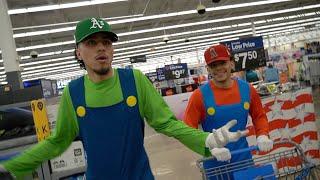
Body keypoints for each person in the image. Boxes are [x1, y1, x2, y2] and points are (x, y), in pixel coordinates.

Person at [0, 18, 248, 180]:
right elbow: (57, 142)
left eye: (106, 42)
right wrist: (14, 167)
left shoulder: (135, 80)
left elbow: (166, 123)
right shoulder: (73, 93)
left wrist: (206, 139)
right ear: (78, 52)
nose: (101, 48)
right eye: (92, 42)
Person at [183, 44, 274, 179]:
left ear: (231, 63)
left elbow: (259, 116)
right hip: (215, 165)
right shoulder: (199, 96)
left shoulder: (247, 90)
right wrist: (209, 148)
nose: (219, 68)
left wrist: (262, 135)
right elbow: (187, 131)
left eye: (222, 62)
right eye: (213, 65)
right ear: (208, 69)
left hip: (244, 161)